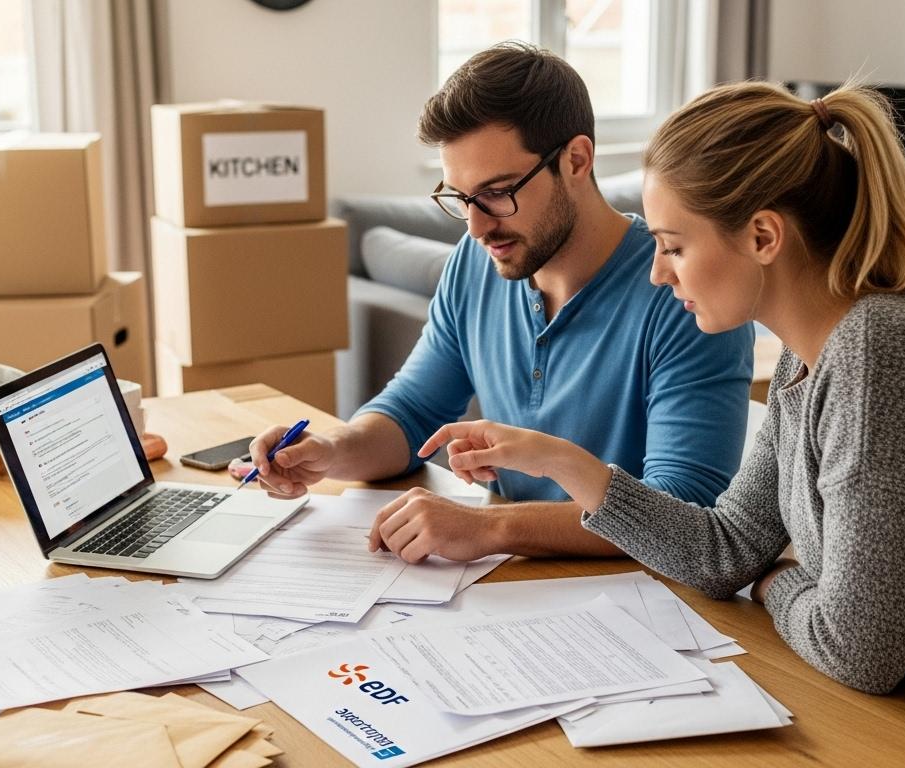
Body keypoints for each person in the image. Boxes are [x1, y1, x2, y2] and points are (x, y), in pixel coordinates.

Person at [411, 81, 905, 746]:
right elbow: (724, 548)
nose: (657, 273)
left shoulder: (881, 352)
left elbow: (860, 652)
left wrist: (777, 583)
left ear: (763, 236)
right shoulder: (809, 357)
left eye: (674, 245)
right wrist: (563, 463)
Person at [248, 42, 753, 560]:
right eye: (461, 198)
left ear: (576, 160)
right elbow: (412, 411)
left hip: (645, 604)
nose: (476, 226)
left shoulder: (684, 294)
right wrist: (329, 452)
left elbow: (686, 511)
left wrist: (490, 528)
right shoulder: (475, 262)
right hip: (505, 593)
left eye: (497, 192)